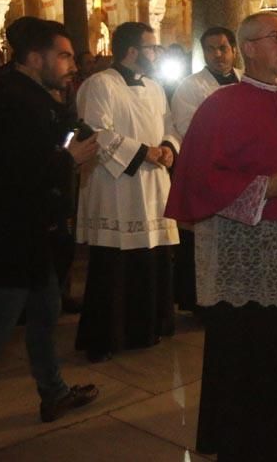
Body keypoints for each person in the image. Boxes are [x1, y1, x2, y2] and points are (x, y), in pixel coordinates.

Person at [164, 12, 277, 461]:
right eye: (274, 37)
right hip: (249, 257)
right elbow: (200, 180)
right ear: (246, 48)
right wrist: (266, 187)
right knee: (260, 347)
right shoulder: (219, 106)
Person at [0, 18, 99, 462]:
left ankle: (52, 391)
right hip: (9, 241)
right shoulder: (13, 102)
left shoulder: (27, 95)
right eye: (65, 55)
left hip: (31, 238)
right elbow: (15, 176)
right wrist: (67, 159)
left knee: (46, 311)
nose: (72, 64)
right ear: (35, 59)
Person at [74, 21, 180, 363]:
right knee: (115, 263)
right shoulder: (100, 84)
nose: (156, 53)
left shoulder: (155, 87)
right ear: (133, 51)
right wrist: (142, 152)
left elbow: (171, 125)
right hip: (116, 186)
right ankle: (107, 336)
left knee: (151, 256)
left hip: (153, 185)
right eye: (152, 48)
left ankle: (148, 327)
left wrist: (167, 148)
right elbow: (96, 131)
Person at [169, 27, 242, 313]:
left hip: (242, 176)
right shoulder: (190, 86)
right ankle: (201, 303)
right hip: (208, 172)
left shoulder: (247, 81)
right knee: (205, 242)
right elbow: (188, 128)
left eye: (223, 48)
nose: (218, 54)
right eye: (211, 49)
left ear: (234, 49)